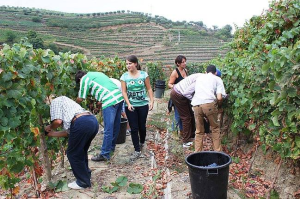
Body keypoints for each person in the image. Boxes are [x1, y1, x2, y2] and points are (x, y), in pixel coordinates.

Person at [44, 96, 99, 190]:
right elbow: (70, 132)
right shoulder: (68, 105)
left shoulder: (56, 101)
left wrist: (49, 127)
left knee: (72, 153)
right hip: (92, 121)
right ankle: (86, 175)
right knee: (81, 151)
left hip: (82, 123)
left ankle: (83, 182)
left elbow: (57, 121)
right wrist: (52, 134)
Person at [75, 71, 124, 161]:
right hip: (119, 97)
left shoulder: (84, 79)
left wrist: (74, 103)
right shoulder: (96, 74)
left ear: (79, 79)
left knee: (108, 129)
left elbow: (81, 97)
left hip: (109, 101)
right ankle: (111, 148)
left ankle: (105, 154)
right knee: (115, 126)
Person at [120, 55, 154, 161]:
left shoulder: (144, 75)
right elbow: (124, 91)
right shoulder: (124, 77)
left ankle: (142, 141)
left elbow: (149, 88)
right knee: (133, 128)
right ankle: (137, 150)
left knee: (141, 126)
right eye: (126, 64)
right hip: (131, 106)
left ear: (135, 64)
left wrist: (152, 100)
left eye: (130, 63)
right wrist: (128, 103)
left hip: (143, 105)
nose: (128, 66)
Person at [191, 65, 226, 152]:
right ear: (215, 73)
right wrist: (219, 105)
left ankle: (197, 153)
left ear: (206, 72)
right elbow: (219, 97)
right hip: (209, 104)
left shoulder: (199, 78)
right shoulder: (217, 79)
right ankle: (218, 152)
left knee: (199, 131)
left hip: (196, 105)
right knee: (215, 128)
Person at [170, 73, 201, 147]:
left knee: (190, 115)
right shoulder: (200, 80)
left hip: (179, 92)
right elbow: (186, 93)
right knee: (186, 117)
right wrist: (194, 101)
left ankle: (191, 136)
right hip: (178, 94)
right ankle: (186, 141)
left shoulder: (202, 76)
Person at [168, 55, 188, 133]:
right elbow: (169, 84)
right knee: (178, 114)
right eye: (182, 62)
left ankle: (182, 131)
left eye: (185, 61)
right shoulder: (175, 72)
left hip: (184, 96)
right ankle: (173, 130)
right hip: (177, 96)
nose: (184, 63)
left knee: (182, 114)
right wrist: (176, 87)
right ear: (178, 63)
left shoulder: (185, 71)